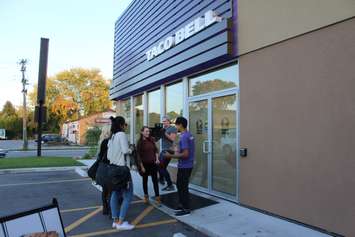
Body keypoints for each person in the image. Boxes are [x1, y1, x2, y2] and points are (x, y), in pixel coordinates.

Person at [163, 116, 195, 216]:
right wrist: (174, 150)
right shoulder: (188, 135)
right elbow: (182, 151)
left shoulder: (184, 136)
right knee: (181, 186)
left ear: (180, 125)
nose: (175, 126)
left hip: (185, 166)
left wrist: (170, 155)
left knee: (182, 187)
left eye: (176, 124)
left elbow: (185, 154)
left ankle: (186, 208)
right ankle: (182, 204)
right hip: (186, 165)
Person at [107, 116, 134, 230]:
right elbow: (125, 151)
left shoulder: (112, 137)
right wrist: (131, 149)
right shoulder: (121, 135)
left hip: (112, 169)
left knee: (115, 194)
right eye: (125, 125)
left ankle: (115, 220)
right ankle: (121, 223)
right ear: (122, 125)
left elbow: (108, 155)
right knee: (128, 195)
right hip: (122, 170)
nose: (126, 127)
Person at [136, 126, 161, 204]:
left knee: (155, 181)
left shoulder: (151, 140)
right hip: (144, 164)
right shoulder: (140, 142)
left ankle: (157, 198)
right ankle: (146, 197)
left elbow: (156, 150)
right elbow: (138, 156)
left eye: (148, 131)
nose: (148, 133)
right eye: (146, 131)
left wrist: (157, 159)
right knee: (145, 180)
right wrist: (142, 166)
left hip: (153, 163)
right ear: (142, 132)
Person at [159, 115, 177, 191]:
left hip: (169, 150)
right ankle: (161, 179)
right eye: (163, 121)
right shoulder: (163, 129)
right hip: (163, 150)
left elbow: (172, 139)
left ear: (169, 121)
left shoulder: (172, 128)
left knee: (161, 167)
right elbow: (157, 139)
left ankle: (170, 185)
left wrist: (164, 133)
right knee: (160, 166)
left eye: (165, 121)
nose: (164, 123)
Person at [97, 125, 112, 215]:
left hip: (103, 169)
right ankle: (110, 208)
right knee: (111, 190)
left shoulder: (102, 142)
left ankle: (105, 208)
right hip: (109, 168)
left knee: (104, 190)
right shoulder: (109, 142)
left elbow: (100, 156)